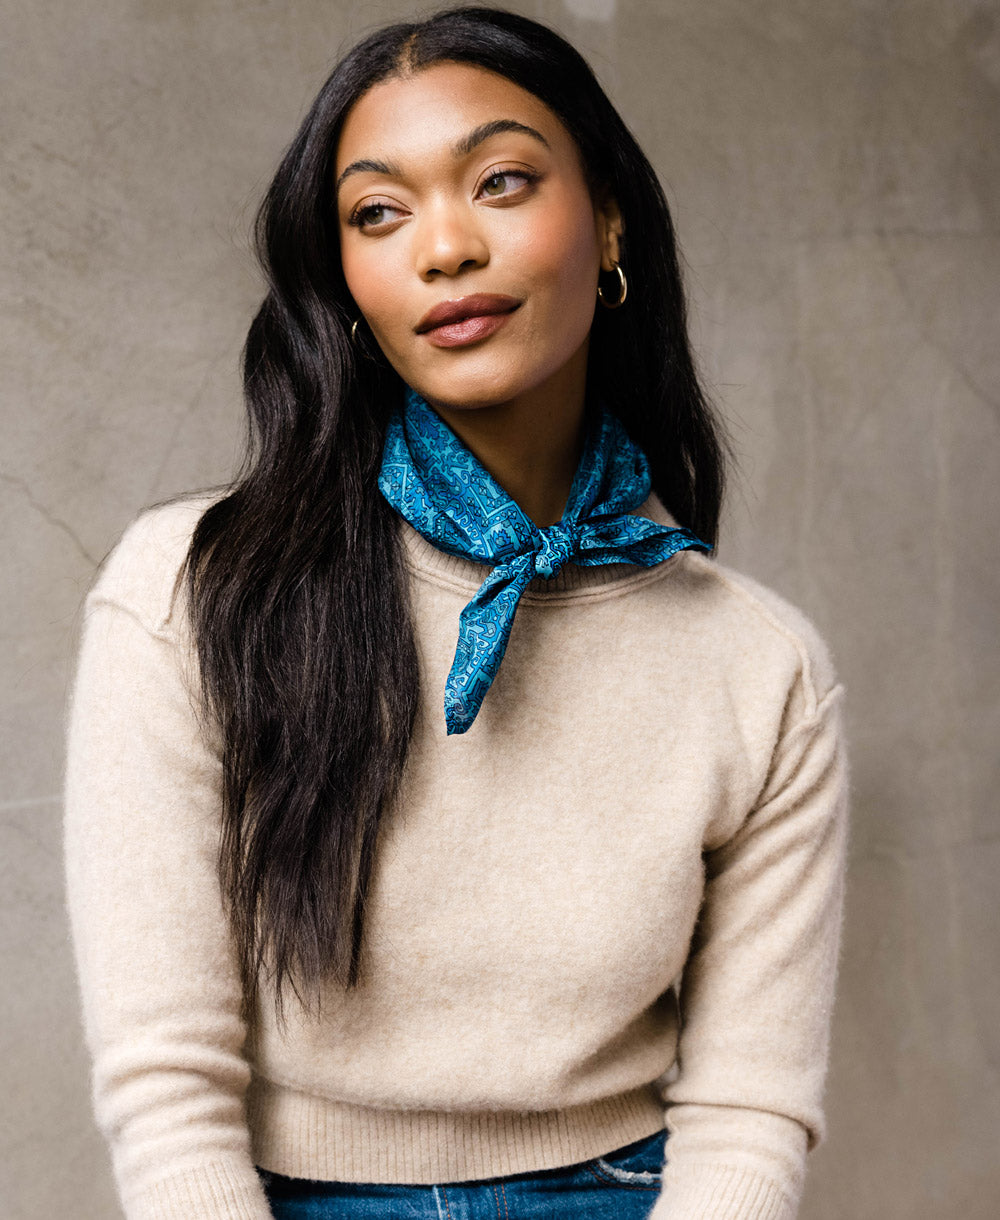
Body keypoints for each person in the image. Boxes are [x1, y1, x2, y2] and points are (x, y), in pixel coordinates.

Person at [64, 7, 849, 1220]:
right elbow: (166, 1090)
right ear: (345, 280)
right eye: (379, 212)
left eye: (500, 181)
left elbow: (749, 1107)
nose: (443, 247)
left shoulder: (757, 662)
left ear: (609, 221)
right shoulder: (186, 591)